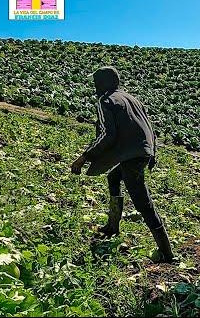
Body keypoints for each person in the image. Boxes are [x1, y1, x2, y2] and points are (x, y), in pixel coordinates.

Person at [70, 66, 174, 263]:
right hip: (143, 151)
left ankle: (167, 253)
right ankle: (113, 225)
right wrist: (152, 154)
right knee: (114, 177)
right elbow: (149, 128)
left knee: (143, 203)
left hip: (132, 155)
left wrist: (84, 157)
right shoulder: (131, 98)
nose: (94, 86)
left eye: (95, 82)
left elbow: (107, 135)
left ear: (102, 83)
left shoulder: (106, 101)